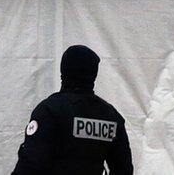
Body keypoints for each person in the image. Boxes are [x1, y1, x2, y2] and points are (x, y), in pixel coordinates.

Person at [12, 45, 133, 174]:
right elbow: (124, 169)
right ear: (93, 73)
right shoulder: (112, 116)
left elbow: (30, 164)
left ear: (64, 69)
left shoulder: (50, 110)